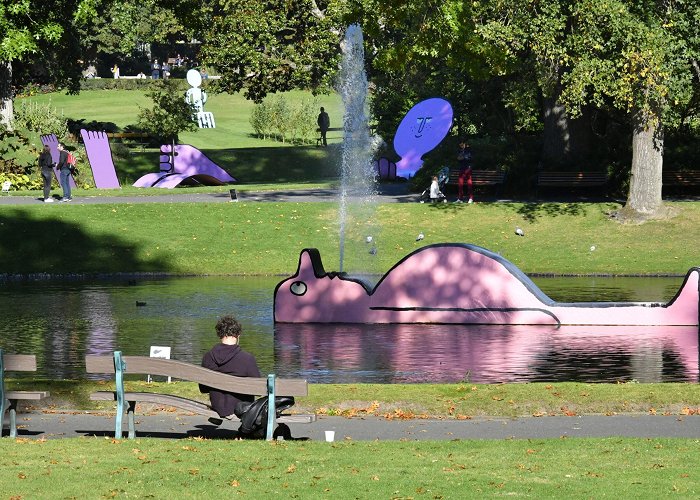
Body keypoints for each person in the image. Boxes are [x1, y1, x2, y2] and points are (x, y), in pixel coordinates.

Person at [200, 315, 261, 420]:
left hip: (217, 405)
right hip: (240, 408)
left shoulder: (208, 357)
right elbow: (258, 389)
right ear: (238, 335)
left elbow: (203, 388)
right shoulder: (247, 358)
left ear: (219, 335)